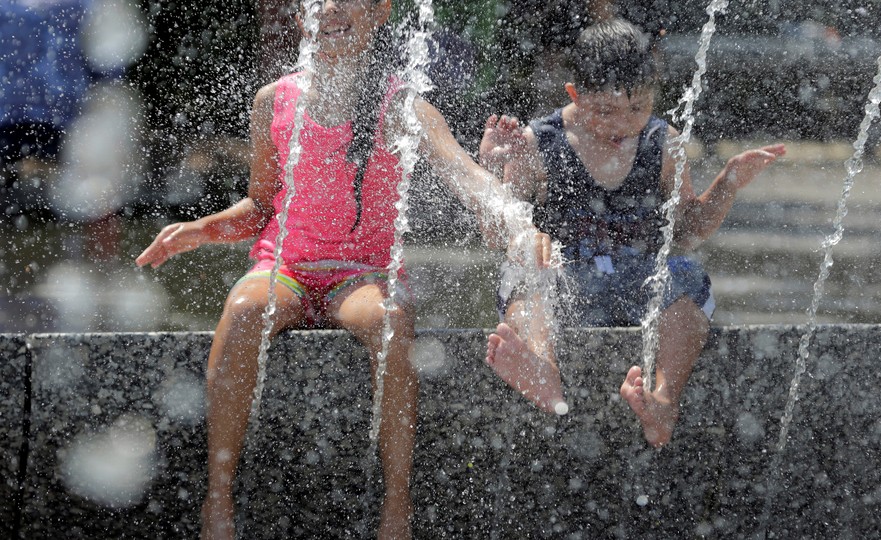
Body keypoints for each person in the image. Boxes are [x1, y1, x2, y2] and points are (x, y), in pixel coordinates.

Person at [136, 1, 545, 538]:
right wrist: (200, 230)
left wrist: (517, 223)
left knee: (391, 321)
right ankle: (219, 497)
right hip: (286, 267)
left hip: (362, 275)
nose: (330, 7)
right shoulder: (274, 101)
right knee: (242, 311)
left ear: (380, 11)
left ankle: (396, 506)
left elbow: (465, 173)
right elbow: (261, 207)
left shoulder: (401, 102)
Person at [480, 18, 786, 448]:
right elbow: (497, 234)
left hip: (636, 284)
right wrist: (496, 172)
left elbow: (688, 231)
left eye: (637, 107)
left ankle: (663, 400)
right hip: (565, 285)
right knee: (528, 270)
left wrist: (728, 183)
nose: (622, 124)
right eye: (604, 110)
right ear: (574, 94)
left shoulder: (664, 143)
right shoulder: (537, 143)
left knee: (685, 275)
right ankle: (541, 367)